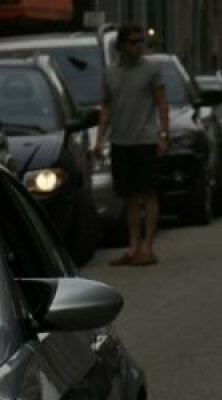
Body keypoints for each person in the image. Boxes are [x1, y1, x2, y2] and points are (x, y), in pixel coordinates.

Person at [92, 23, 168, 267]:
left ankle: (148, 247)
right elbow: (106, 107)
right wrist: (99, 139)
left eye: (141, 41)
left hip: (145, 140)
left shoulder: (152, 69)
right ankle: (133, 246)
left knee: (148, 193)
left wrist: (163, 135)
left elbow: (162, 103)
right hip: (121, 141)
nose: (139, 46)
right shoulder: (110, 73)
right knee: (130, 197)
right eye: (134, 41)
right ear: (122, 45)